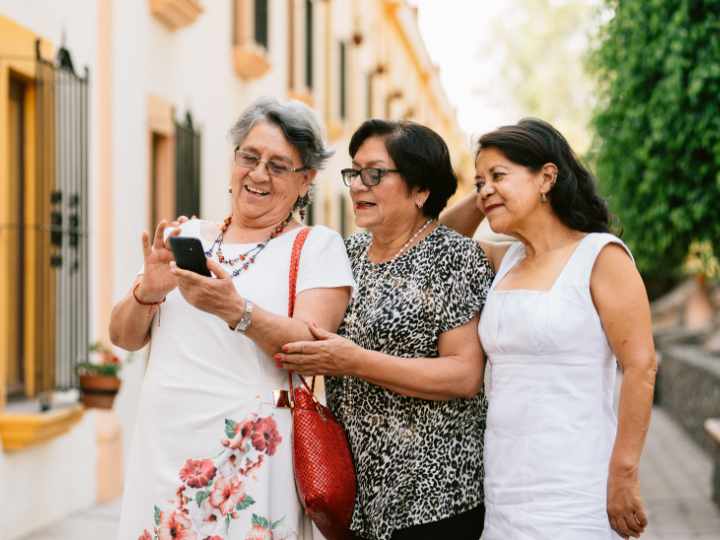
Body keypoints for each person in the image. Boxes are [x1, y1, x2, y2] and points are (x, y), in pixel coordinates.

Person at [110, 97, 355, 540]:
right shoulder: (185, 237)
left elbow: (312, 348)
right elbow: (123, 337)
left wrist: (235, 310)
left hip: (248, 452)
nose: (259, 174)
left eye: (279, 165)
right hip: (163, 446)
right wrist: (148, 290)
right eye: (249, 156)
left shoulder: (318, 246)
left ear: (307, 181)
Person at [275, 119, 494, 540]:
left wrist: (355, 362)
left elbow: (464, 375)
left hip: (434, 495)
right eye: (354, 172)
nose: (357, 185)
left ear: (420, 189)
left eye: (374, 174)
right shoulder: (345, 253)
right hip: (354, 492)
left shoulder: (456, 256)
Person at [442, 118, 657, 540]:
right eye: (479, 181)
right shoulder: (505, 261)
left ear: (547, 177)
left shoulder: (600, 255)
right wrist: (489, 187)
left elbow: (642, 366)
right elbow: (438, 242)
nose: (485, 189)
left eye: (499, 176)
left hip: (578, 486)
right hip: (504, 485)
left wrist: (624, 470)